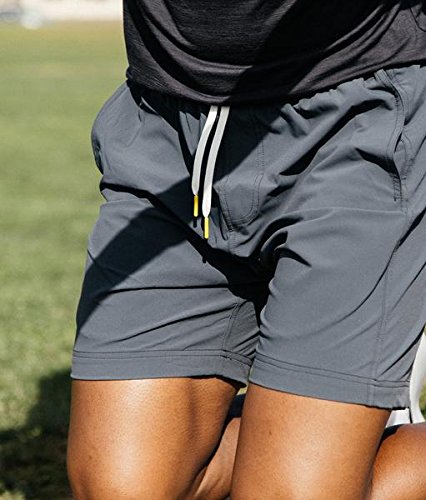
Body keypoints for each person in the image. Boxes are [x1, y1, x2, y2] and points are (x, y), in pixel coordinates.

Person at [66, 1, 426, 498]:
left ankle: (325, 432)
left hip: (360, 110)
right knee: (121, 489)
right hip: (169, 123)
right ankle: (317, 430)